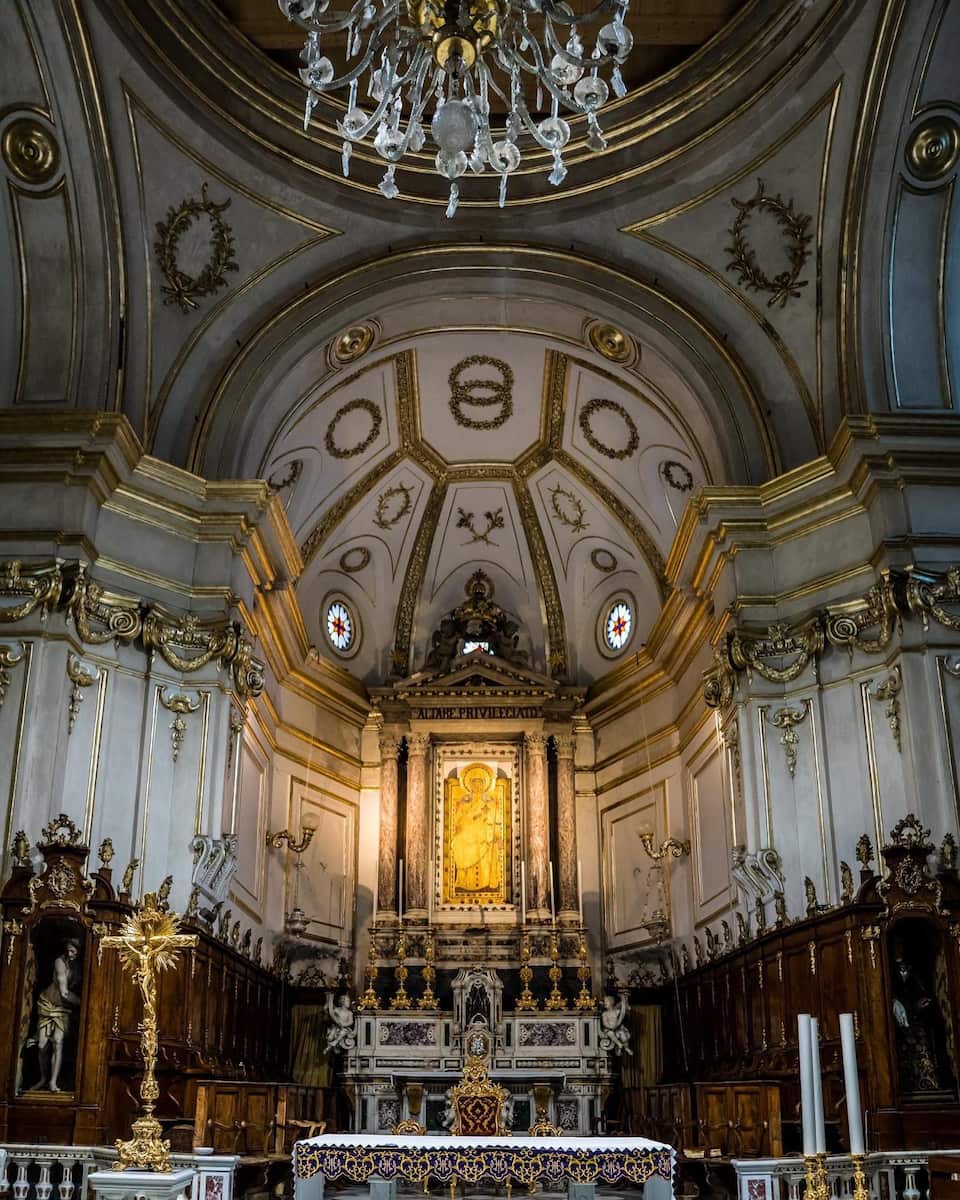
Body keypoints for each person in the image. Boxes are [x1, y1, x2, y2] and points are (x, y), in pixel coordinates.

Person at [34, 938, 82, 1092]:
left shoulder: (79, 967)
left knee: (58, 1041)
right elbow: (64, 992)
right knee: (42, 1045)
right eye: (68, 950)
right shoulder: (59, 962)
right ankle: (43, 1078)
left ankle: (53, 1082)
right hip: (48, 1004)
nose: (70, 954)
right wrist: (83, 1003)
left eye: (73, 951)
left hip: (63, 1009)